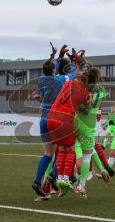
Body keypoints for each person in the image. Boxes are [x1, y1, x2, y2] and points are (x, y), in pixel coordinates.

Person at [32, 44, 77, 197]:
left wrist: (56, 58)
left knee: (47, 153)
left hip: (43, 119)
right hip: (55, 119)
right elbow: (73, 74)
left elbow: (49, 68)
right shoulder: (59, 80)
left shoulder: (41, 80)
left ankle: (37, 181)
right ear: (54, 70)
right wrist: (73, 61)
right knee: (64, 150)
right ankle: (52, 176)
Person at [47, 67, 100, 197]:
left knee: (60, 148)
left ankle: (59, 178)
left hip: (52, 117)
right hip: (72, 121)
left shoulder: (68, 83)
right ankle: (70, 180)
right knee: (75, 151)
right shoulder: (89, 92)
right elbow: (86, 110)